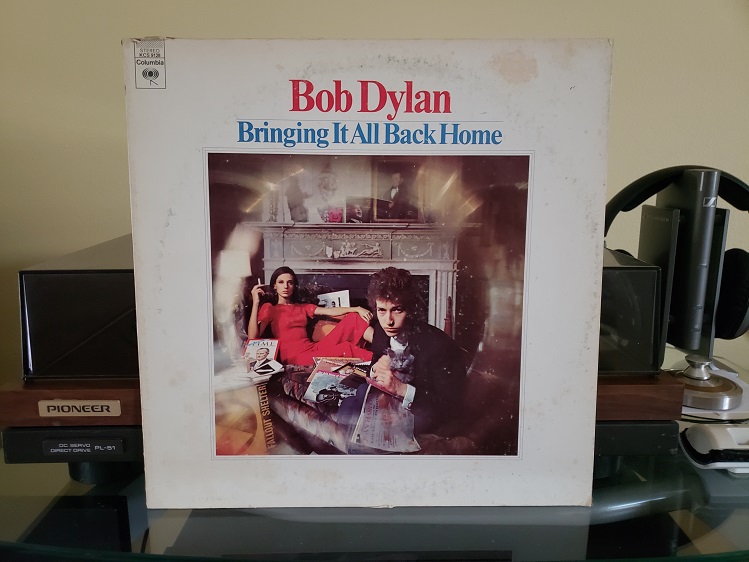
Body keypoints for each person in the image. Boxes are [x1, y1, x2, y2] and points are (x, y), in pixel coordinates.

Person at [366, 267, 466, 435]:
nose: (388, 321)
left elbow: (451, 407)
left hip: (422, 413)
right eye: (382, 310)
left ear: (411, 309)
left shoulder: (439, 345)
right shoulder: (380, 331)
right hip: (389, 404)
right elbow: (375, 362)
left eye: (397, 310)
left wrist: (401, 389)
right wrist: (376, 368)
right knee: (350, 405)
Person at [247, 266, 374, 365]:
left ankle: (382, 346)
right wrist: (256, 302)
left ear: (294, 286)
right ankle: (378, 361)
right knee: (345, 348)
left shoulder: (302, 307)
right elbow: (253, 337)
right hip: (294, 357)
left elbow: (330, 311)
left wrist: (357, 308)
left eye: (290, 282)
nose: (285, 286)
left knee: (353, 318)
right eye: (281, 282)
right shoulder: (270, 308)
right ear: (274, 286)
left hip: (313, 348)